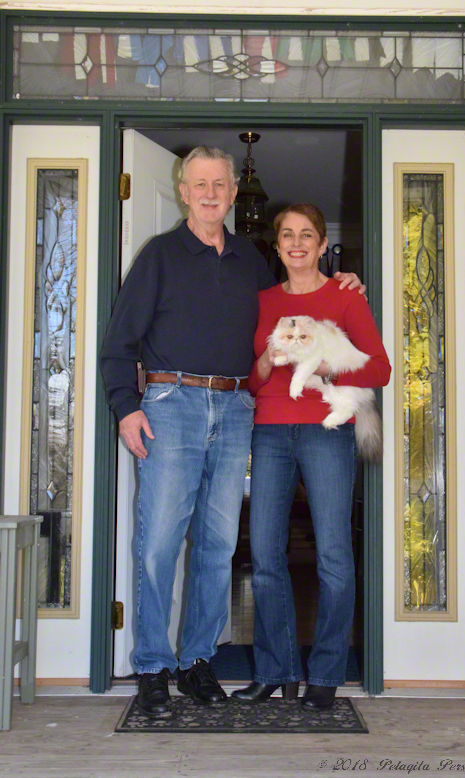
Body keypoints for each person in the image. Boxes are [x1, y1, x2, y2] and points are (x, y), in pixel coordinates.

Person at [100, 149, 364, 716]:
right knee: (160, 542)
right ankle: (151, 667)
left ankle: (196, 662)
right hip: (171, 404)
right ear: (184, 190)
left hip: (237, 407)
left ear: (229, 192)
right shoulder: (159, 256)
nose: (213, 192)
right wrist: (127, 407)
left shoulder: (251, 259)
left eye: (220, 183)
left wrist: (346, 282)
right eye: (202, 184)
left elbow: (294, 309)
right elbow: (119, 342)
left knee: (219, 546)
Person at [232, 203, 391, 709]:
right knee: (267, 556)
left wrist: (328, 367)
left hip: (327, 432)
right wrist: (262, 360)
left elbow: (380, 369)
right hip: (271, 434)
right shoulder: (261, 301)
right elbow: (255, 379)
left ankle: (325, 674)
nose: (296, 243)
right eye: (286, 235)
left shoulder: (344, 296)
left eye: (307, 235)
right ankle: (275, 670)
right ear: (276, 246)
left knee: (333, 556)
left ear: (322, 245)